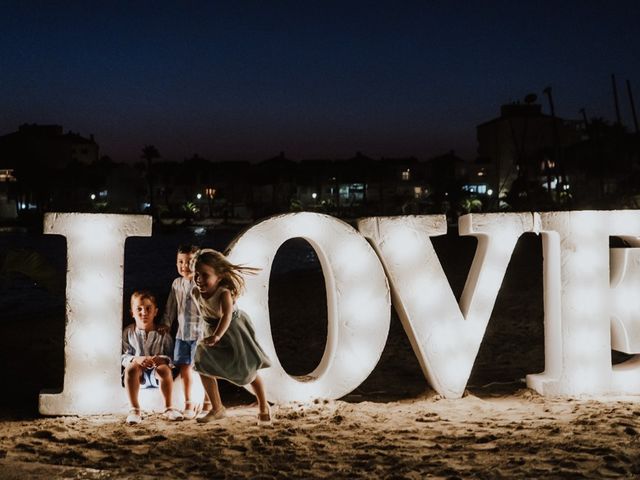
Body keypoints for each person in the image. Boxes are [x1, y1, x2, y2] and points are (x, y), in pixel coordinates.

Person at [191, 249, 272, 424]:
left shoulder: (223, 293)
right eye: (196, 274)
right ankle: (217, 407)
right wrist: (206, 334)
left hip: (233, 331)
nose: (198, 279)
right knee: (201, 364)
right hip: (211, 330)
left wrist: (217, 335)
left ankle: (263, 406)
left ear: (219, 276)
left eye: (204, 275)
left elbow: (226, 316)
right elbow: (205, 314)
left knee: (248, 372)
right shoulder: (195, 293)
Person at [122, 290, 183, 424]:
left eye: (148, 308)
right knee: (131, 368)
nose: (144, 313)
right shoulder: (128, 332)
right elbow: (123, 356)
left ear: (155, 311)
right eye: (139, 309)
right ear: (132, 312)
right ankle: (134, 409)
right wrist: (136, 359)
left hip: (157, 375)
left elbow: (172, 357)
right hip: (138, 376)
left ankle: (169, 408)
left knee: (164, 369)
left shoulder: (163, 333)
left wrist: (163, 359)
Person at [160, 244, 205, 420]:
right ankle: (188, 403)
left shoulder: (201, 281)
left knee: (202, 370)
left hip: (200, 334)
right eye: (180, 261)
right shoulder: (176, 283)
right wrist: (166, 322)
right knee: (185, 368)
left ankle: (205, 403)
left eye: (189, 262)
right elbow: (171, 306)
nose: (184, 266)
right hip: (182, 334)